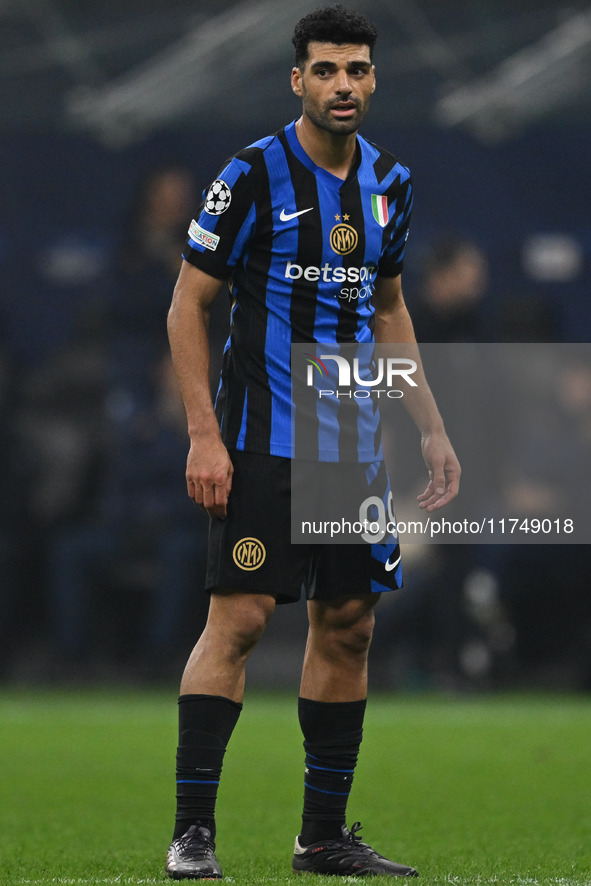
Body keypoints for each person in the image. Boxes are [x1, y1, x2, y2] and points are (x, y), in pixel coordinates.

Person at [165, 5, 460, 879]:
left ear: (374, 79)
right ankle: (192, 836)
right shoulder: (252, 173)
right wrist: (203, 437)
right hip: (259, 441)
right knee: (242, 620)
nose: (343, 85)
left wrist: (432, 426)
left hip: (351, 453)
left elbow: (390, 307)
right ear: (297, 79)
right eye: (326, 70)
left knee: (349, 626)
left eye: (357, 70)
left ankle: (322, 838)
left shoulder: (389, 183)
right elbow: (188, 304)